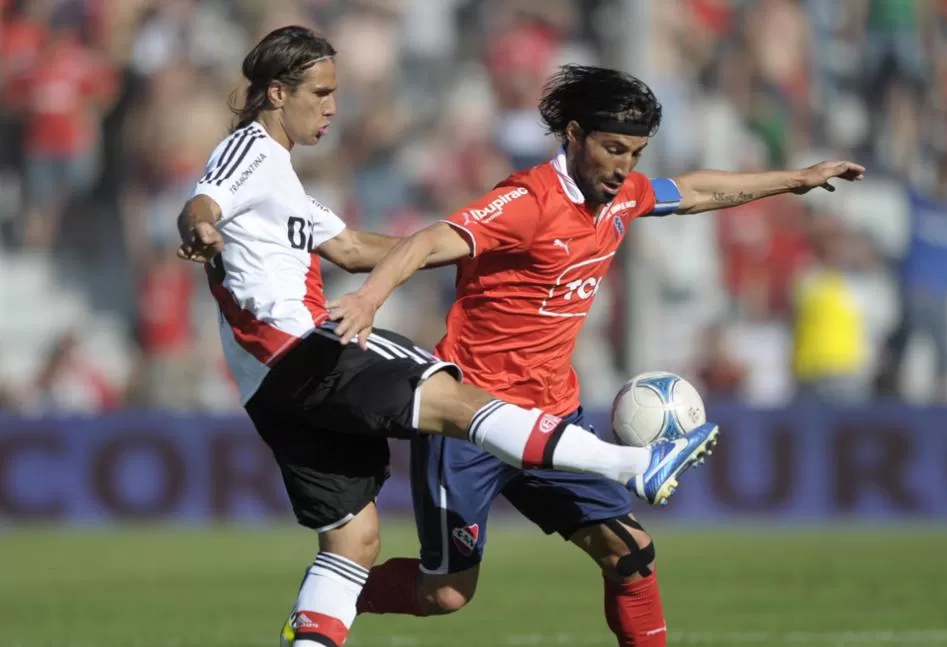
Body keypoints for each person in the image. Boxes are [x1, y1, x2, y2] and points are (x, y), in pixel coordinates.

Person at [176, 30, 718, 647]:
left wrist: (475, 254)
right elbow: (203, 202)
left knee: (354, 545)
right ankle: (633, 462)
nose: (332, 107)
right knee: (456, 394)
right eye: (321, 93)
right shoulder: (249, 150)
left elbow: (353, 248)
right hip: (301, 350)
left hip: (268, 388)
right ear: (277, 92)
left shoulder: (285, 183)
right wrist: (201, 230)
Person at [330, 65, 865, 647]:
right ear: (575, 134)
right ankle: (326, 601)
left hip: (555, 417)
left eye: (635, 153)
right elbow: (430, 240)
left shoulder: (622, 197)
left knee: (630, 554)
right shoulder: (527, 201)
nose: (624, 167)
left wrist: (797, 179)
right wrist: (368, 298)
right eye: (613, 149)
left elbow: (694, 191)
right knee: (447, 595)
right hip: (469, 418)